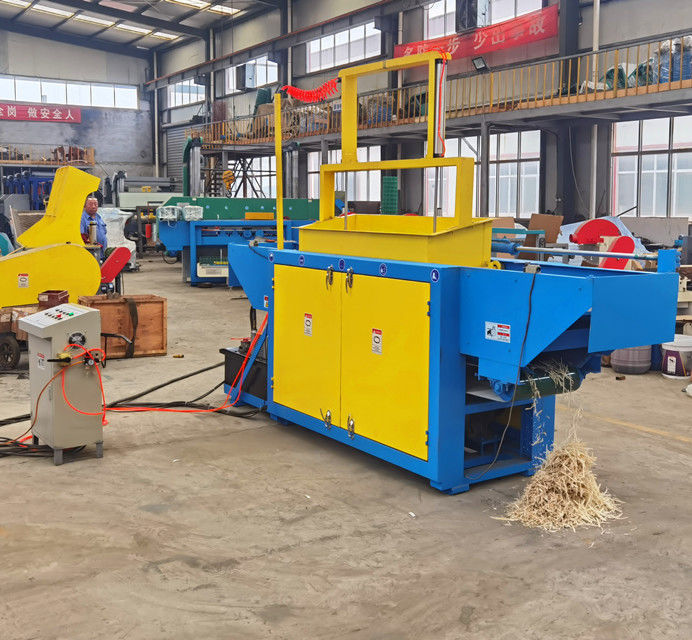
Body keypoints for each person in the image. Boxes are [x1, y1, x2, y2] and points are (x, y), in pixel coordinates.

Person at [80, 195, 107, 260]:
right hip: (91, 254)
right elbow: (82, 237)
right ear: (84, 206)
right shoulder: (81, 219)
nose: (93, 206)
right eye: (90, 204)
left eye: (95, 204)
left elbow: (104, 232)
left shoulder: (99, 217)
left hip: (102, 253)